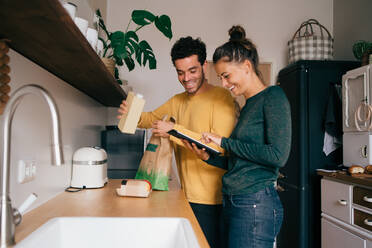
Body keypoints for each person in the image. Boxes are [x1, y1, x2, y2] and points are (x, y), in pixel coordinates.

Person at [117, 36, 237, 248]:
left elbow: (218, 147)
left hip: (214, 201)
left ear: (204, 66)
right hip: (186, 196)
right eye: (180, 72)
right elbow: (150, 118)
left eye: (192, 70)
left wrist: (174, 130)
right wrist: (131, 114)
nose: (186, 78)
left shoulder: (221, 97)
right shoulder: (177, 101)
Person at [182, 25, 292, 248]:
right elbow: (242, 162)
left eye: (226, 75)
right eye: (221, 77)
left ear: (247, 66)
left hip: (255, 203)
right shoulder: (248, 105)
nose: (224, 83)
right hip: (236, 201)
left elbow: (278, 156)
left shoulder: (273, 96)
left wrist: (224, 142)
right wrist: (209, 158)